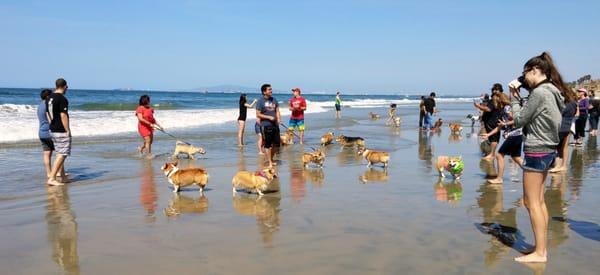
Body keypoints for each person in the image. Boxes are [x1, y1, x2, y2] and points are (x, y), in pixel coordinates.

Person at [509, 52, 567, 263]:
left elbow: (518, 120)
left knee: (531, 202)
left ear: (534, 70)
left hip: (536, 149)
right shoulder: (553, 91)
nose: (524, 78)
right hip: (549, 148)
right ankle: (540, 247)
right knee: (539, 202)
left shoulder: (540, 93)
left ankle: (540, 253)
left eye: (525, 73)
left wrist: (513, 97)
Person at [481, 92, 522, 184]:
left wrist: (505, 124)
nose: (493, 103)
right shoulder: (503, 110)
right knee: (516, 157)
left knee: (499, 155)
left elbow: (516, 120)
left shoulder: (507, 108)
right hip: (518, 135)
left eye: (495, 100)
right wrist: (488, 135)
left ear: (500, 100)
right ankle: (532, 172)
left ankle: (499, 179)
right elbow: (499, 127)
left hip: (514, 134)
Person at [46, 78, 72, 186]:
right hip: (61, 130)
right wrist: (67, 130)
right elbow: (63, 115)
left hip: (52, 129)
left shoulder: (49, 98)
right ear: (65, 86)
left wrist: (52, 124)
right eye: (67, 87)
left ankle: (63, 177)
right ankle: (52, 178)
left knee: (59, 153)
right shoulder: (62, 99)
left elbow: (48, 114)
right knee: (62, 154)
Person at [38, 89, 66, 180]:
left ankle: (49, 173)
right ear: (47, 97)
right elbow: (50, 120)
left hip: (42, 132)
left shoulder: (39, 106)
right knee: (60, 153)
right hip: (50, 132)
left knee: (47, 153)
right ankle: (60, 173)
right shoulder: (48, 105)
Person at [549, 88, 578, 173]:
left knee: (557, 147)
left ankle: (557, 165)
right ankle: (563, 165)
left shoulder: (565, 104)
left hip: (561, 126)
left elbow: (559, 113)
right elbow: (575, 113)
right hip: (569, 126)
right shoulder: (574, 103)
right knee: (565, 147)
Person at [475, 85, 503, 160]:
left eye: (496, 90)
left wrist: (478, 106)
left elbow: (488, 109)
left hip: (492, 122)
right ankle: (490, 153)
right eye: (493, 89)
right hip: (494, 121)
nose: (494, 91)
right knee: (493, 139)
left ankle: (491, 154)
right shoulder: (500, 99)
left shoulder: (495, 99)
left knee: (492, 139)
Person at [256, 84, 281, 167]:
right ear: (264, 92)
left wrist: (279, 119)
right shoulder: (260, 101)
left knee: (277, 145)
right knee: (268, 145)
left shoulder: (274, 99)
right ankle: (270, 162)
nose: (271, 91)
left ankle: (270, 158)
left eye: (271, 89)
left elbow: (277, 111)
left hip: (275, 125)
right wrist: (268, 117)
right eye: (269, 89)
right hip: (266, 125)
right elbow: (258, 114)